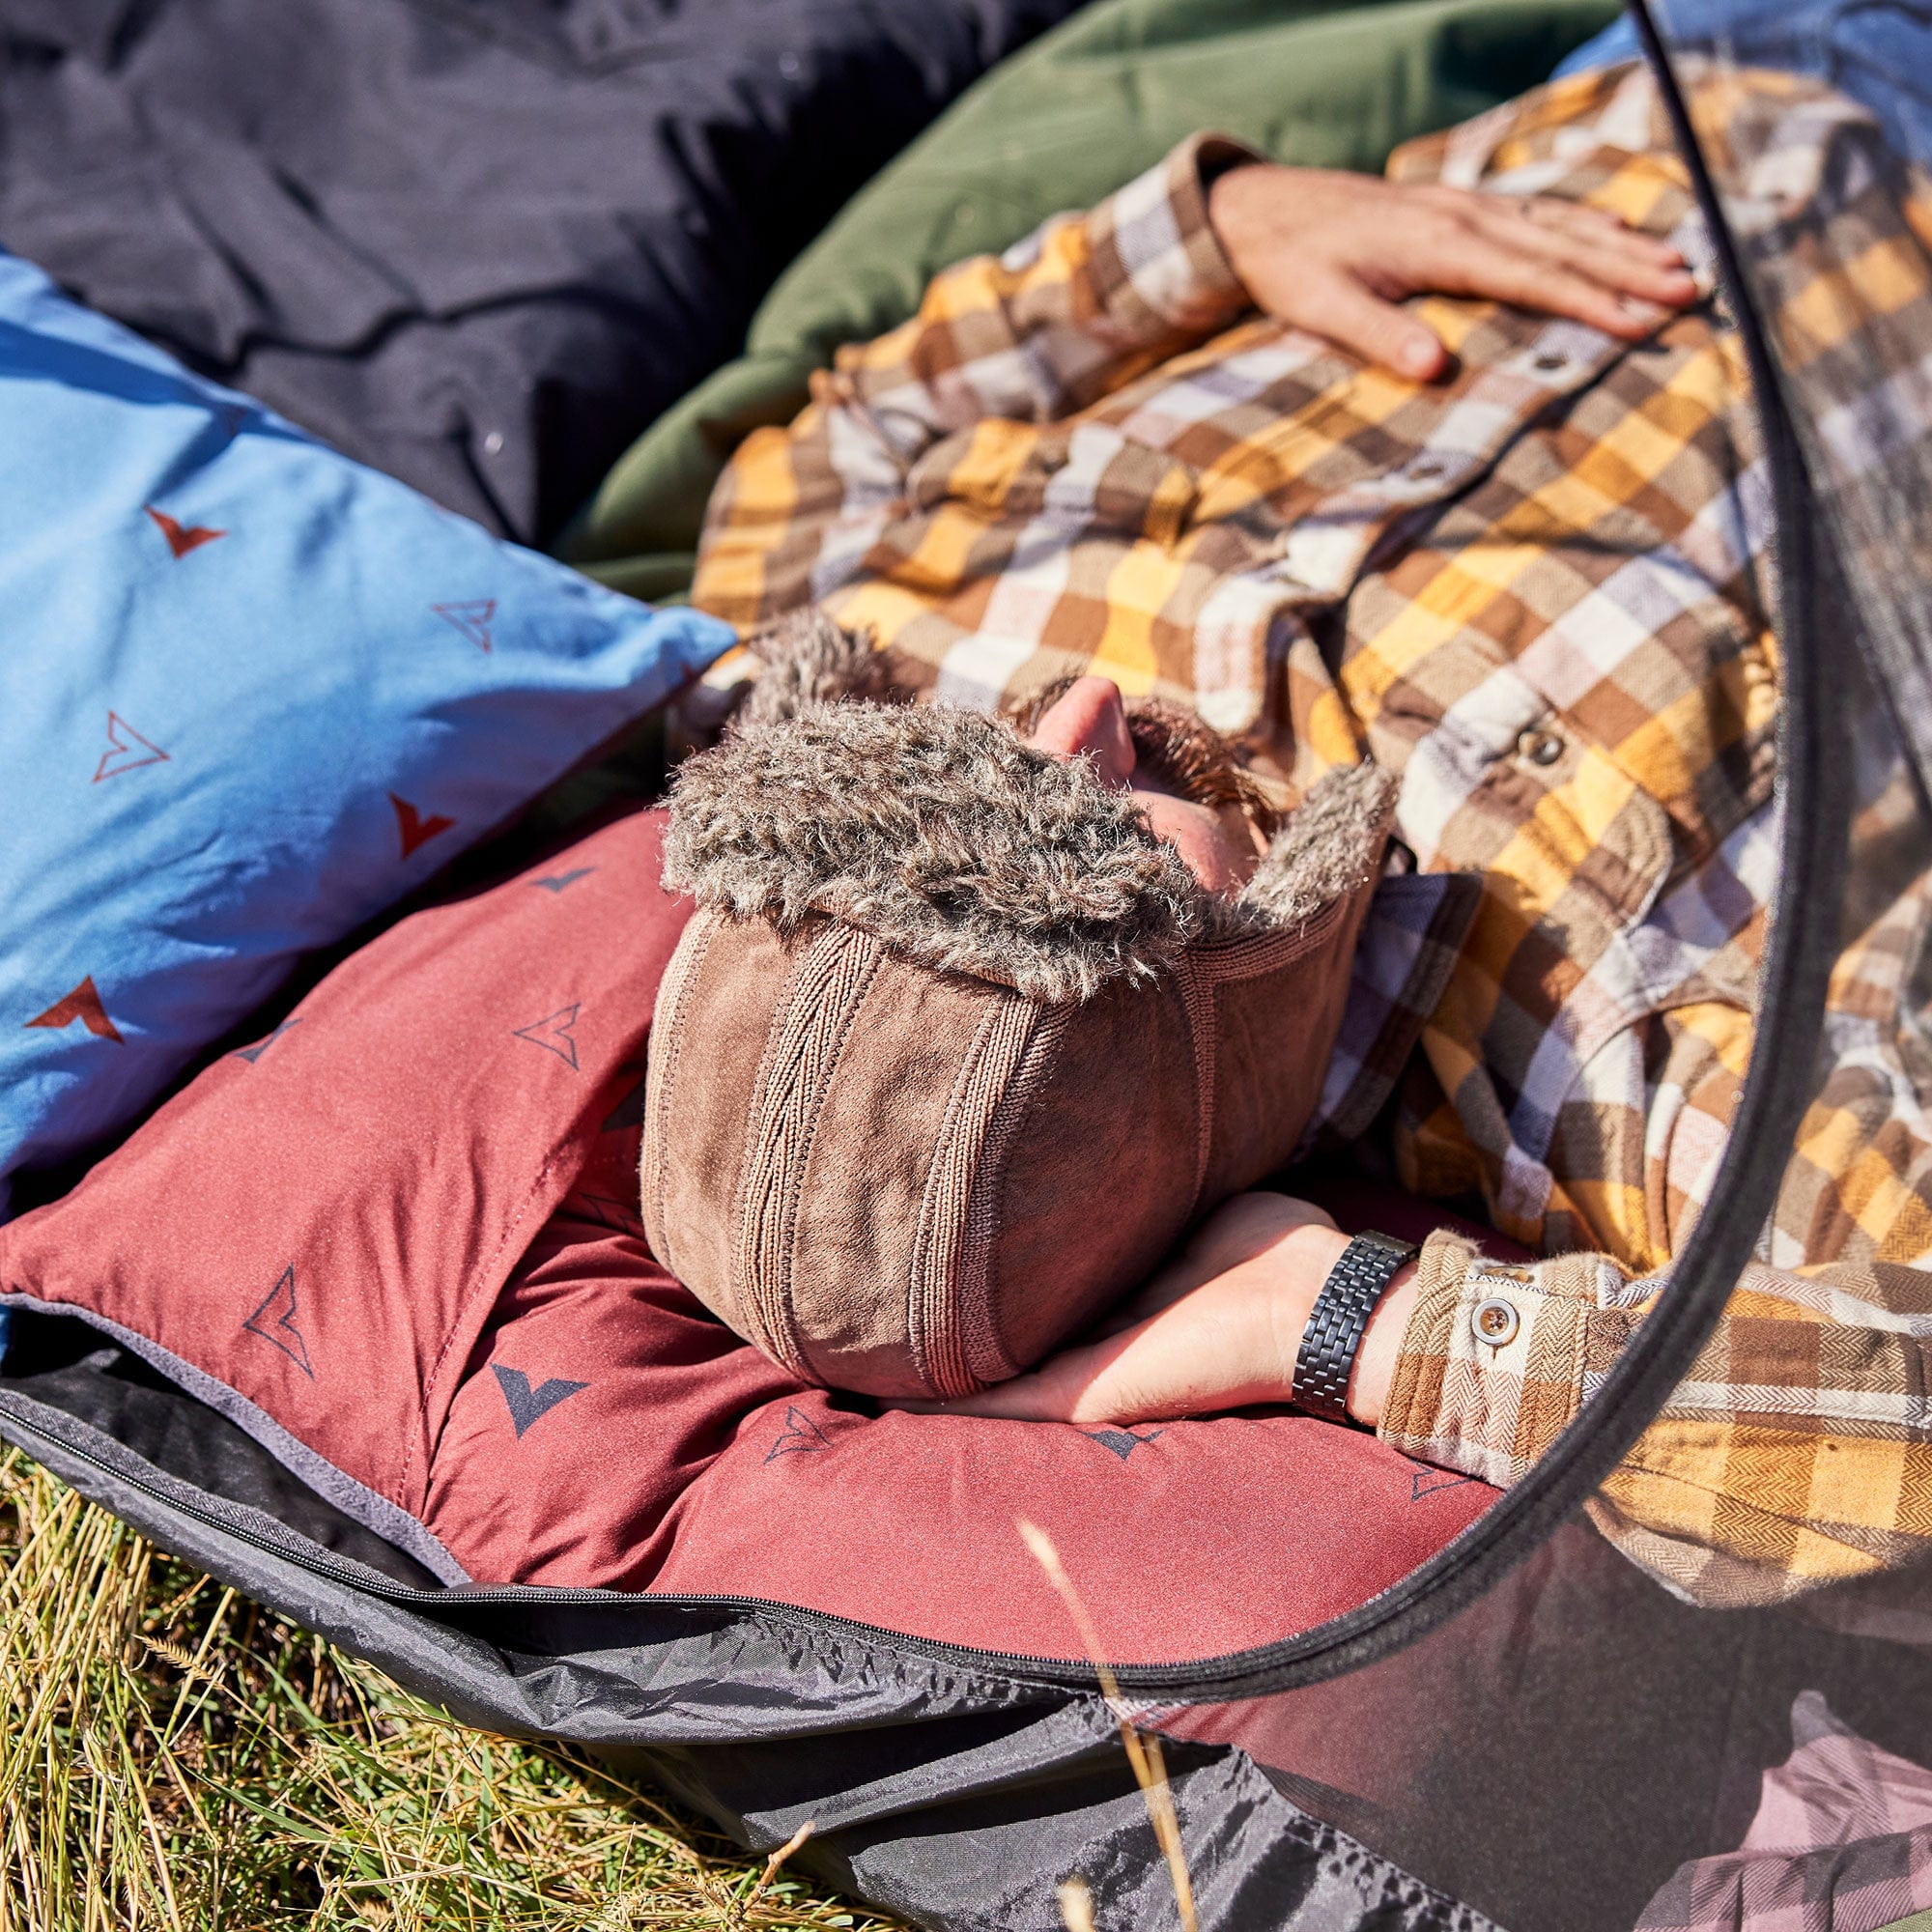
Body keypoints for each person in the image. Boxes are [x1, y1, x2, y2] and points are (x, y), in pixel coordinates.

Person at [668, 50, 1932, 1609]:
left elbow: (844, 434)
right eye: (1107, 838)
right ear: (1180, 1098)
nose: (1083, 718)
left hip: (1628, 91)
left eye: (969, 754)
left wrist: (1220, 227)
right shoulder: (1588, 1061)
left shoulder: (831, 638)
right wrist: (1347, 1322)